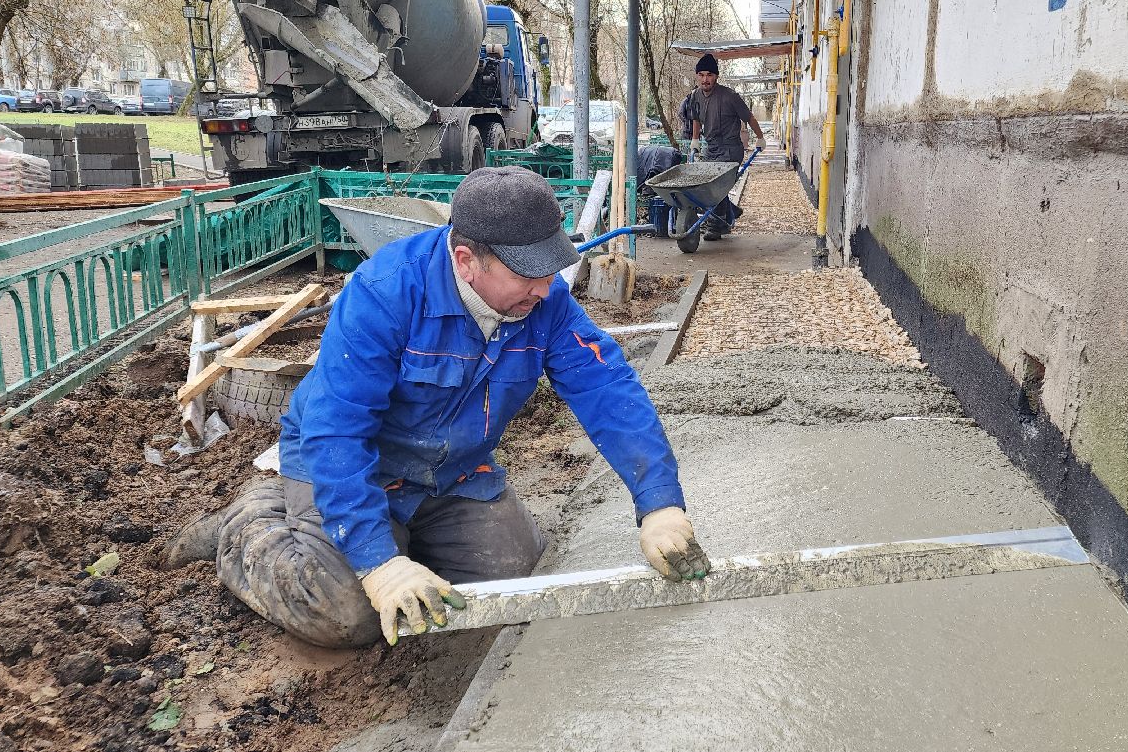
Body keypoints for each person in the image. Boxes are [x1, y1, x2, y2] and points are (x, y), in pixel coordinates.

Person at [169, 168, 710, 648]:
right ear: (466, 260)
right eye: (528, 273)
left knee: (517, 580)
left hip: (450, 471)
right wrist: (379, 564)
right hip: (350, 467)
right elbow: (336, 432)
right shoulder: (384, 294)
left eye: (551, 271)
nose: (546, 289)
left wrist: (658, 500)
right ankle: (251, 526)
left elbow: (608, 390)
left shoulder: (545, 303)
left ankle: (402, 542)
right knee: (347, 615)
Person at [683, 53, 764, 239]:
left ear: (716, 76)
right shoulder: (695, 96)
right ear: (697, 76)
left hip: (730, 149)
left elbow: (749, 117)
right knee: (707, 185)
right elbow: (695, 118)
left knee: (716, 185)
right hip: (710, 147)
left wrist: (760, 138)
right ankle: (730, 212)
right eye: (701, 75)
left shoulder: (730, 96)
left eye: (709, 75)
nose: (705, 79)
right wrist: (695, 140)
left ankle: (715, 226)